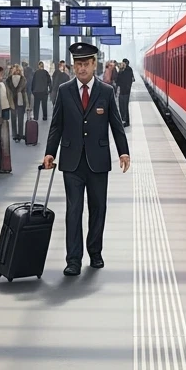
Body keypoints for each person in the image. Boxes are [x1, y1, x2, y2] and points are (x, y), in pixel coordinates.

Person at [44, 43, 131, 276]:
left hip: (98, 161)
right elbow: (56, 125)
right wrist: (50, 152)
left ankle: (95, 253)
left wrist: (123, 151)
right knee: (73, 211)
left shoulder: (106, 91)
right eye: (77, 64)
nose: (81, 68)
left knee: (98, 209)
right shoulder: (64, 91)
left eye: (85, 64)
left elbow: (116, 124)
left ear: (94, 65)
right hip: (72, 162)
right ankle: (73, 260)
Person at [6, 64, 28, 140]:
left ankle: (14, 134)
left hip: (12, 100)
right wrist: (27, 104)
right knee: (21, 118)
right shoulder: (23, 79)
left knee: (13, 118)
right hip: (20, 100)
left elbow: (7, 92)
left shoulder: (8, 80)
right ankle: (20, 134)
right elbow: (24, 92)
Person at [117, 58, 135, 127]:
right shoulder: (123, 70)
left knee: (124, 106)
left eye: (123, 63)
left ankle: (125, 121)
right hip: (123, 91)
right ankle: (124, 120)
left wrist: (121, 71)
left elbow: (123, 79)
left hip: (125, 91)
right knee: (122, 106)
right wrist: (120, 70)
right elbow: (118, 80)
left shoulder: (128, 70)